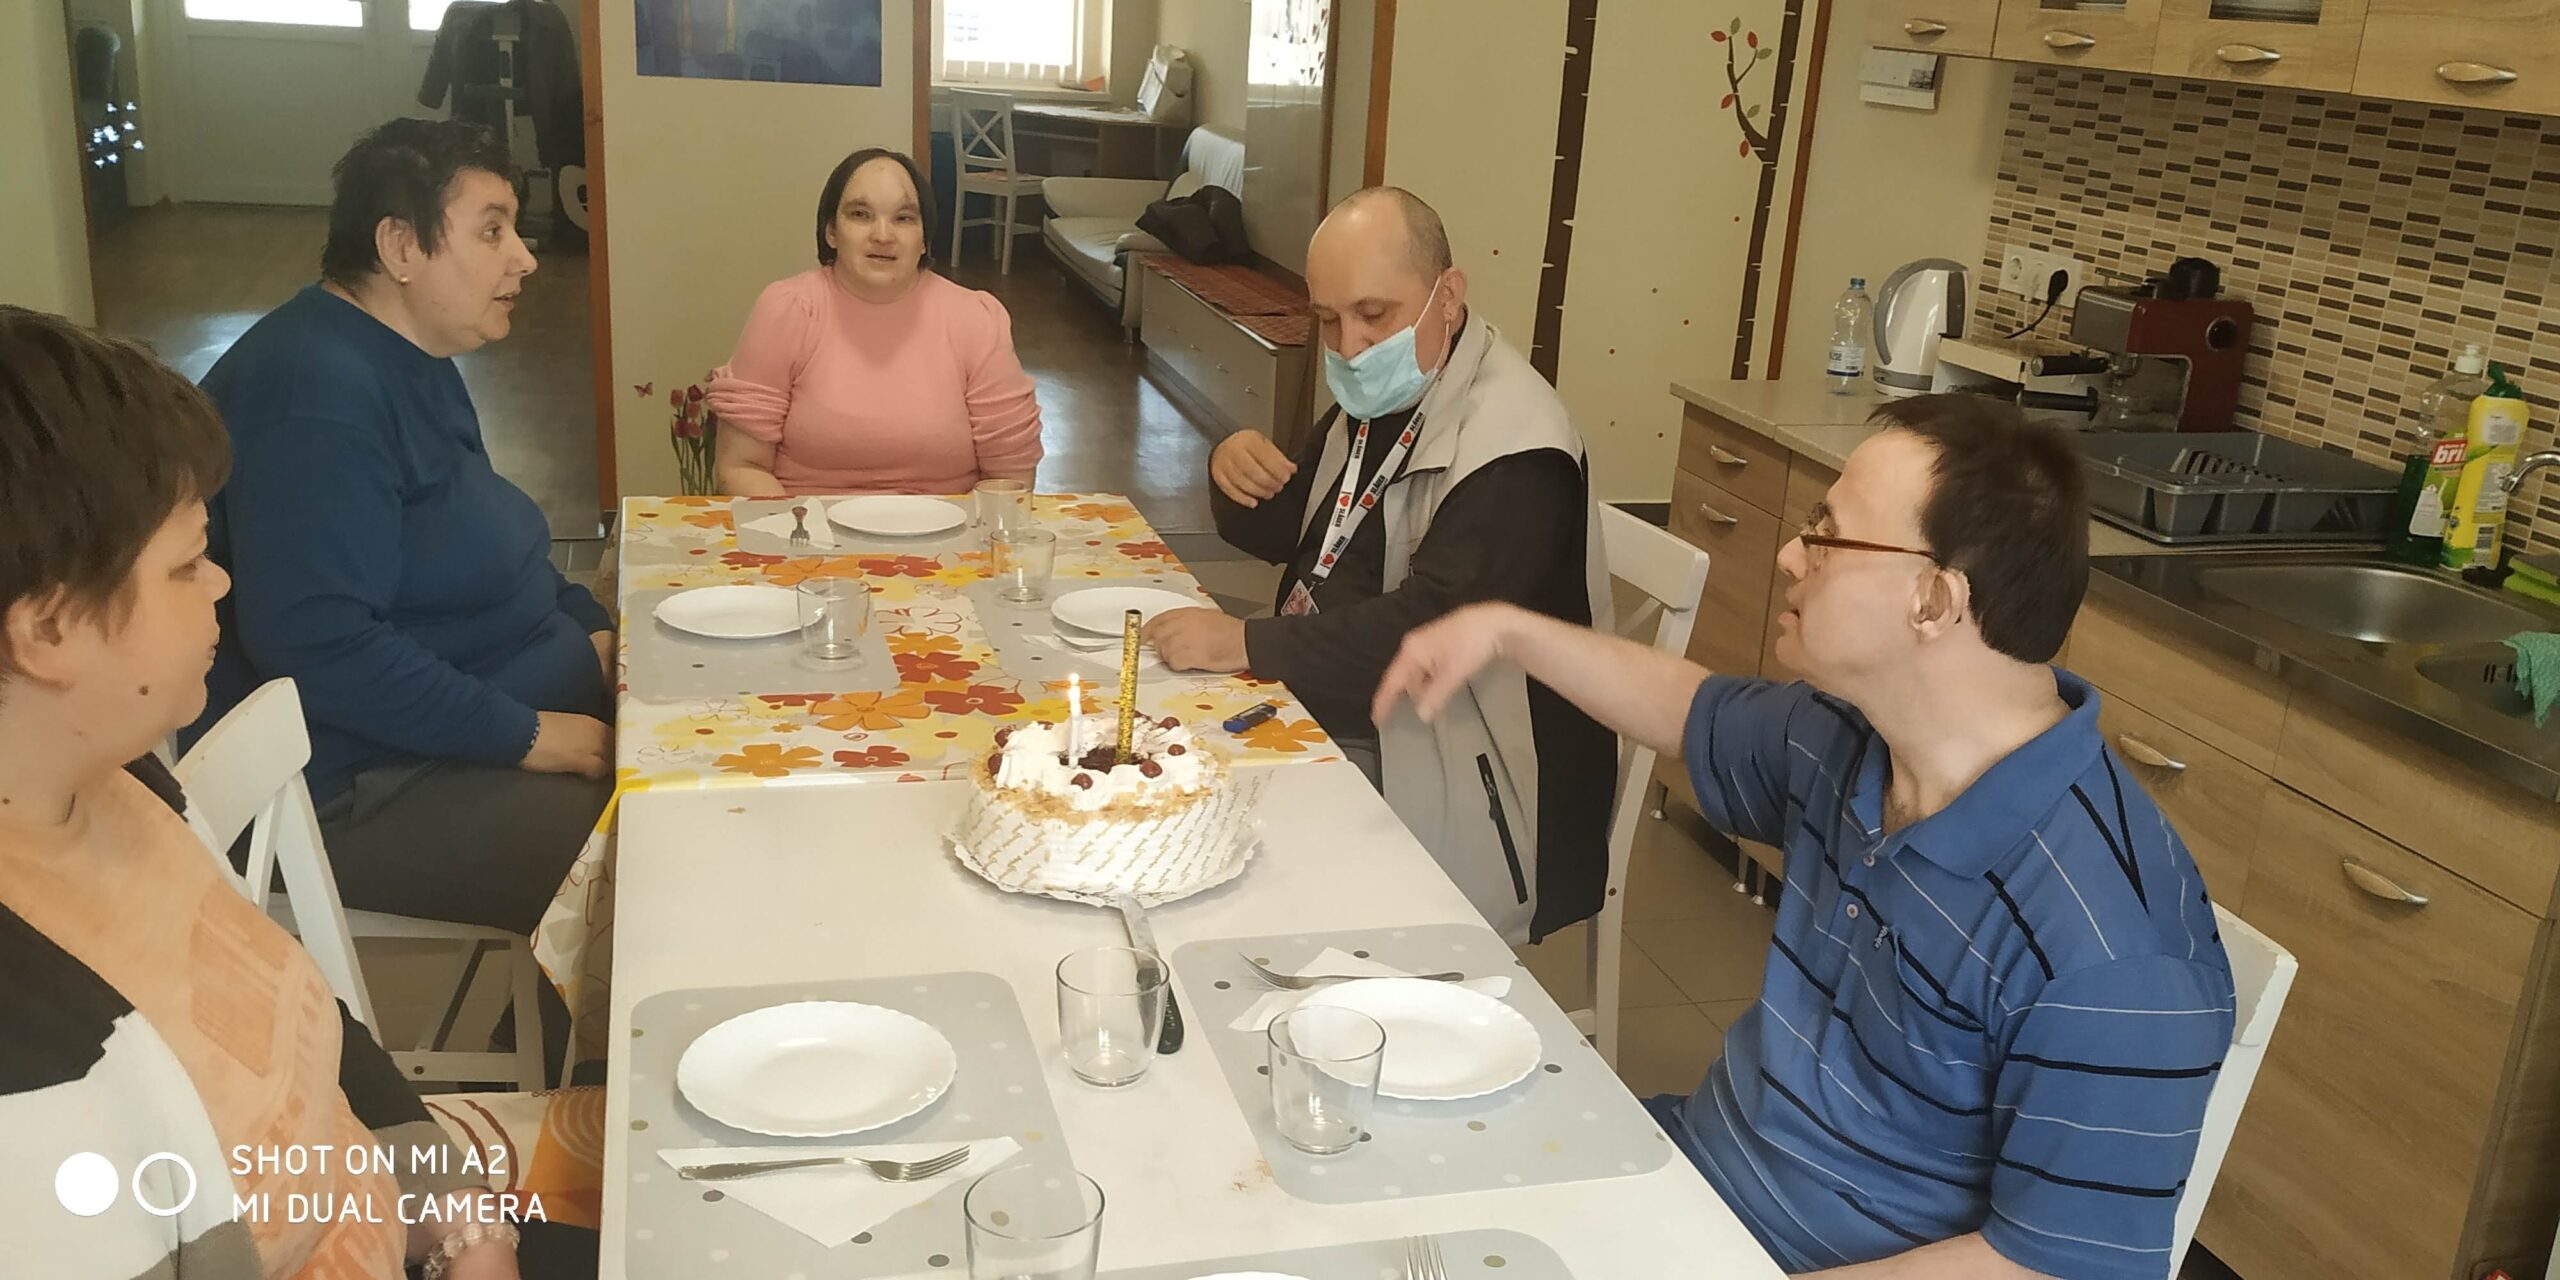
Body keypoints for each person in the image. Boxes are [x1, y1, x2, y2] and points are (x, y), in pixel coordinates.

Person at [1372, 394, 2236, 1278]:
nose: (1792, 553)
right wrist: (1507, 632)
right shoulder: (1856, 738)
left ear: (1933, 600)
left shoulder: (2116, 954)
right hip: (1687, 1187)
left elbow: (2051, 1269)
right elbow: (1688, 709)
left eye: (1828, 535)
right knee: (1371, 1169)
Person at [0, 306, 598, 1278]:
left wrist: (457, 1218)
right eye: (187, 564)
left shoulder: (122, 782)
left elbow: (297, 1014)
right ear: (48, 630)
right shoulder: (32, 1052)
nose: (224, 584)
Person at [1143, 186, 1615, 944]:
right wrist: (1231, 466)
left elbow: (1427, 636)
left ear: (1448, 296)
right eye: (1328, 320)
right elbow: (1294, 530)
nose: (1350, 347)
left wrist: (1244, 642)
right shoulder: (1390, 394)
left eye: (1373, 314)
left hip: (1474, 769)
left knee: (1211, 854)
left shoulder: (1519, 451)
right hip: (1352, 701)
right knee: (1153, 772)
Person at [189, 119, 614, 957]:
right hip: (361, 786)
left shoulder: (409, 355)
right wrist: (528, 736)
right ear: (400, 246)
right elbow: (318, 644)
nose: (524, 258)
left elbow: (489, 536)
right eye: (491, 230)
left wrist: (587, 625)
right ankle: (592, 1036)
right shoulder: (313, 394)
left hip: (456, 736)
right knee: (663, 862)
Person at [709, 147, 1044, 496]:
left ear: (924, 239)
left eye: (904, 218)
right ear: (831, 232)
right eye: (860, 214)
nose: (883, 235)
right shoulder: (787, 310)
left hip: (953, 527)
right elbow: (741, 466)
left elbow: (1010, 479)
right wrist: (796, 530)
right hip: (801, 523)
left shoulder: (975, 319)